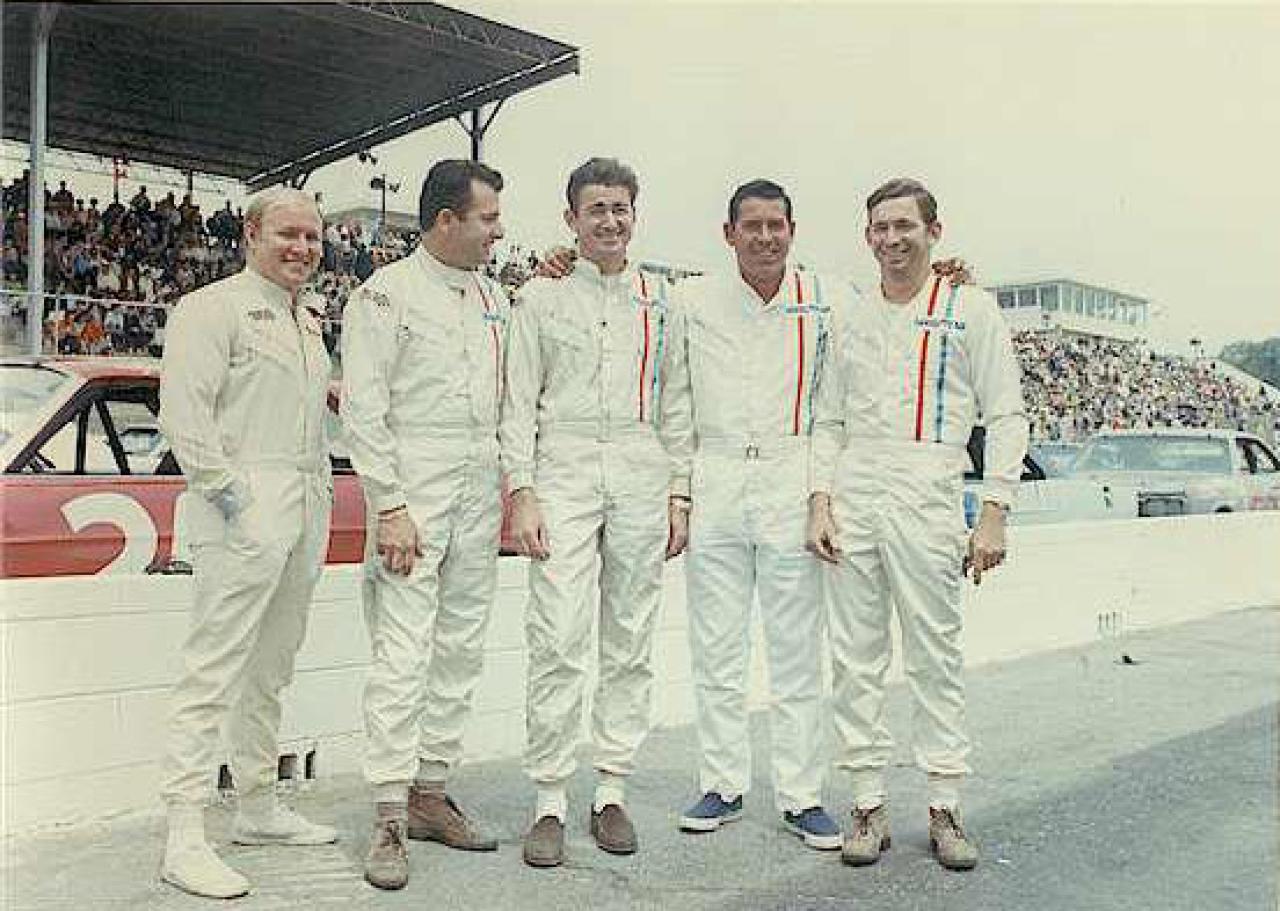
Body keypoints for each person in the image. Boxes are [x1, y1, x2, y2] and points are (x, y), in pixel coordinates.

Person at [808, 177, 1028, 871]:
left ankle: (944, 803)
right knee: (855, 657)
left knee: (935, 654)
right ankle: (867, 802)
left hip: (929, 488)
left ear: (934, 231)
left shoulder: (970, 307)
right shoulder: (849, 312)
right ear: (867, 236)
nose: (892, 239)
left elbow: (1006, 411)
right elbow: (827, 419)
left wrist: (994, 512)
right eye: (881, 227)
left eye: (905, 225)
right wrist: (820, 500)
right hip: (856, 489)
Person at [500, 157, 691, 868]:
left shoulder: (662, 299)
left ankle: (611, 787)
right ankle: (549, 797)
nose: (609, 221)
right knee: (556, 633)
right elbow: (518, 401)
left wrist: (678, 492)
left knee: (631, 634)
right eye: (596, 209)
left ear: (634, 215)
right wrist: (522, 489)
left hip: (640, 465)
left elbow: (677, 401)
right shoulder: (540, 298)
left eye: (620, 208)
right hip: (565, 465)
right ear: (571, 218)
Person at [157, 187, 336, 899]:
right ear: (252, 234)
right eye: (288, 234)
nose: (302, 248)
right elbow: (184, 417)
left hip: (306, 500)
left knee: (272, 666)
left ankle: (258, 805)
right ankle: (183, 835)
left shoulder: (309, 319)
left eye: (313, 237)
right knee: (212, 670)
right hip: (243, 506)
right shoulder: (212, 308)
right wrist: (237, 501)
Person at [341, 159, 508, 891]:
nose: (498, 231)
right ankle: (388, 810)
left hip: (478, 486)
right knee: (403, 652)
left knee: (461, 647)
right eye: (488, 219)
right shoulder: (384, 294)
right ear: (446, 220)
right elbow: (364, 409)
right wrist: (390, 505)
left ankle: (431, 791)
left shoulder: (497, 298)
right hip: (413, 488)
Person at [667, 180, 843, 850]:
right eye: (752, 226)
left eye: (777, 225)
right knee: (717, 646)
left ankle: (802, 794)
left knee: (796, 649)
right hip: (716, 475)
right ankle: (723, 784)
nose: (765, 237)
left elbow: (838, 403)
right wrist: (680, 493)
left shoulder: (828, 298)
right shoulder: (691, 299)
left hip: (790, 475)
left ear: (793, 230)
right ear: (729, 233)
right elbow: (675, 401)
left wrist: (820, 494)